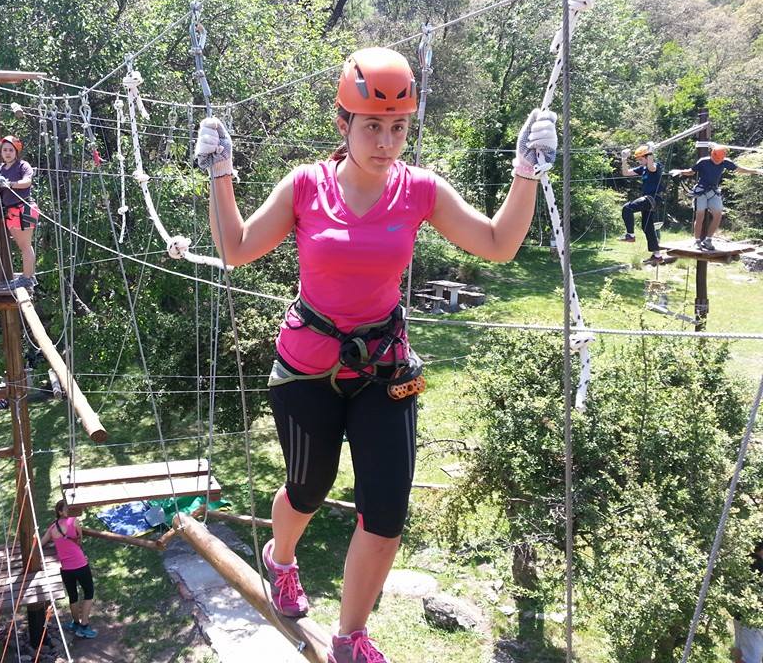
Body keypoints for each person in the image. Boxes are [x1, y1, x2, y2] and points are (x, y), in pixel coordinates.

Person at [195, 46, 558, 663]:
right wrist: (220, 173)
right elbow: (235, 248)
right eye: (372, 126)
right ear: (343, 123)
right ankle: (280, 557)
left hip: (384, 368)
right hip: (307, 368)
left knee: (385, 513)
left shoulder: (420, 190)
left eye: (398, 128)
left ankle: (349, 634)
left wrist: (528, 173)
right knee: (307, 491)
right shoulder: (306, 186)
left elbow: (497, 244)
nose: (386, 142)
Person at [670, 144, 763, 251]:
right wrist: (680, 171)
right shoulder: (703, 161)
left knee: (718, 215)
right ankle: (697, 241)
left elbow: (739, 169)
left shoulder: (725, 162)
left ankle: (708, 240)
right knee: (700, 217)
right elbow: (692, 171)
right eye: (716, 159)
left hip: (713, 191)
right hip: (701, 191)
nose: (718, 161)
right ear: (712, 155)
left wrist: (756, 171)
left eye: (720, 160)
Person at [41, 500, 97, 639]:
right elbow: (79, 540)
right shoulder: (73, 521)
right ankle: (84, 626)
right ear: (60, 511)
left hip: (65, 568)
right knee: (89, 592)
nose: (70, 511)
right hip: (80, 564)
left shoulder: (52, 528)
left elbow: (41, 544)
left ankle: (76, 623)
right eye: (67, 509)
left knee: (73, 596)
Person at [0, 135, 39, 289]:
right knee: (23, 246)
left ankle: (26, 278)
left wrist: (9, 183)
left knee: (25, 246)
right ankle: (29, 276)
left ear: (16, 152)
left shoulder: (22, 166)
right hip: (10, 211)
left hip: (23, 207)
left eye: (11, 150)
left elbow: (27, 182)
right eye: (5, 150)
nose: (7, 153)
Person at [618, 142, 666, 264]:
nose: (639, 162)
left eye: (640, 159)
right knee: (647, 226)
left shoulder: (656, 166)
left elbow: (651, 167)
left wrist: (650, 152)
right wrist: (624, 159)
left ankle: (630, 235)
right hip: (648, 199)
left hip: (652, 198)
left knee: (627, 208)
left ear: (646, 157)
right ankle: (657, 255)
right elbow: (626, 173)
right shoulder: (642, 168)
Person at [732, 541, 763, 663]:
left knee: (740, 654)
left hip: (741, 617)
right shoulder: (759, 566)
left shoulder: (745, 561)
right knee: (751, 659)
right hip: (754, 621)